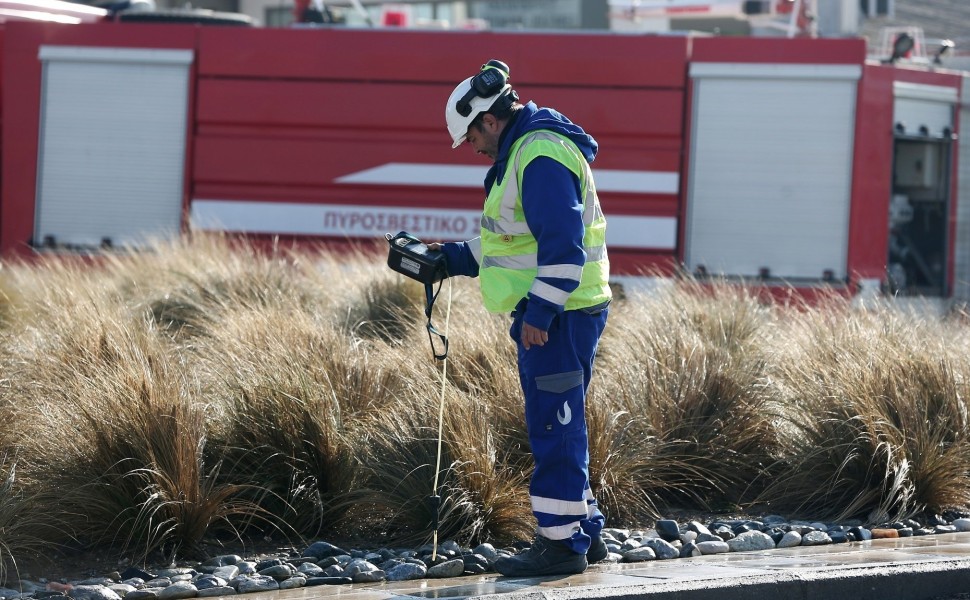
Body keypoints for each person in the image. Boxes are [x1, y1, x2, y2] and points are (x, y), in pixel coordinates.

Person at [432, 59, 612, 577]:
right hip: (567, 310)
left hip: (559, 316)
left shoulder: (537, 155)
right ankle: (585, 533)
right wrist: (449, 257)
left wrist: (541, 311)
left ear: (488, 119)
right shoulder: (532, 149)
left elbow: (563, 246)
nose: (474, 150)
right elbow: (514, 243)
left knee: (555, 428)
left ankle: (560, 547)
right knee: (564, 421)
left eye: (470, 138)